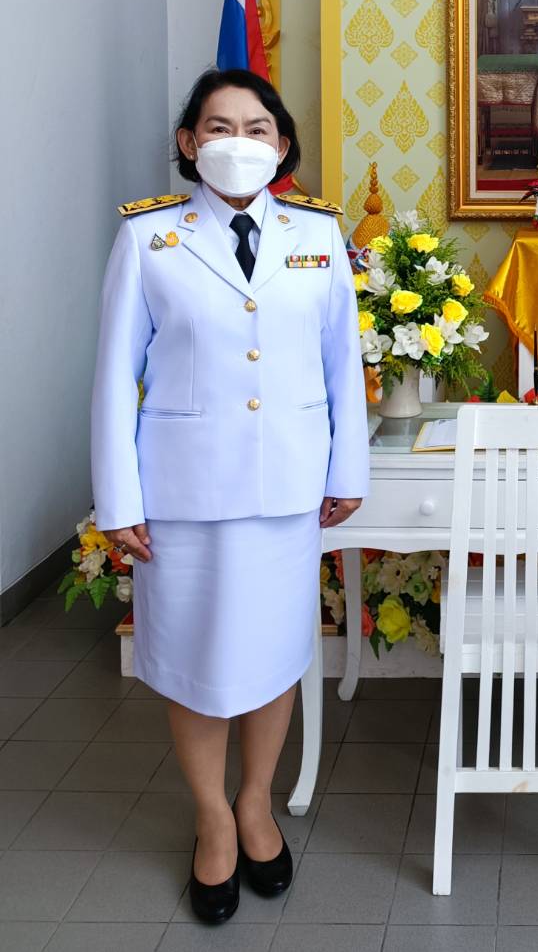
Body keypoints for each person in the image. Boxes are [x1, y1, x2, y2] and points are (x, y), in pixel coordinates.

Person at [91, 68, 368, 924]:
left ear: (281, 145)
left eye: (257, 127)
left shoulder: (317, 235)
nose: (237, 141)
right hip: (183, 492)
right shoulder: (149, 239)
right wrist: (118, 498)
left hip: (287, 490)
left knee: (275, 652)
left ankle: (256, 803)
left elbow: (343, 364)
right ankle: (212, 817)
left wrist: (347, 471)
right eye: (219, 125)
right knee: (195, 658)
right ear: (189, 141)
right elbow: (114, 376)